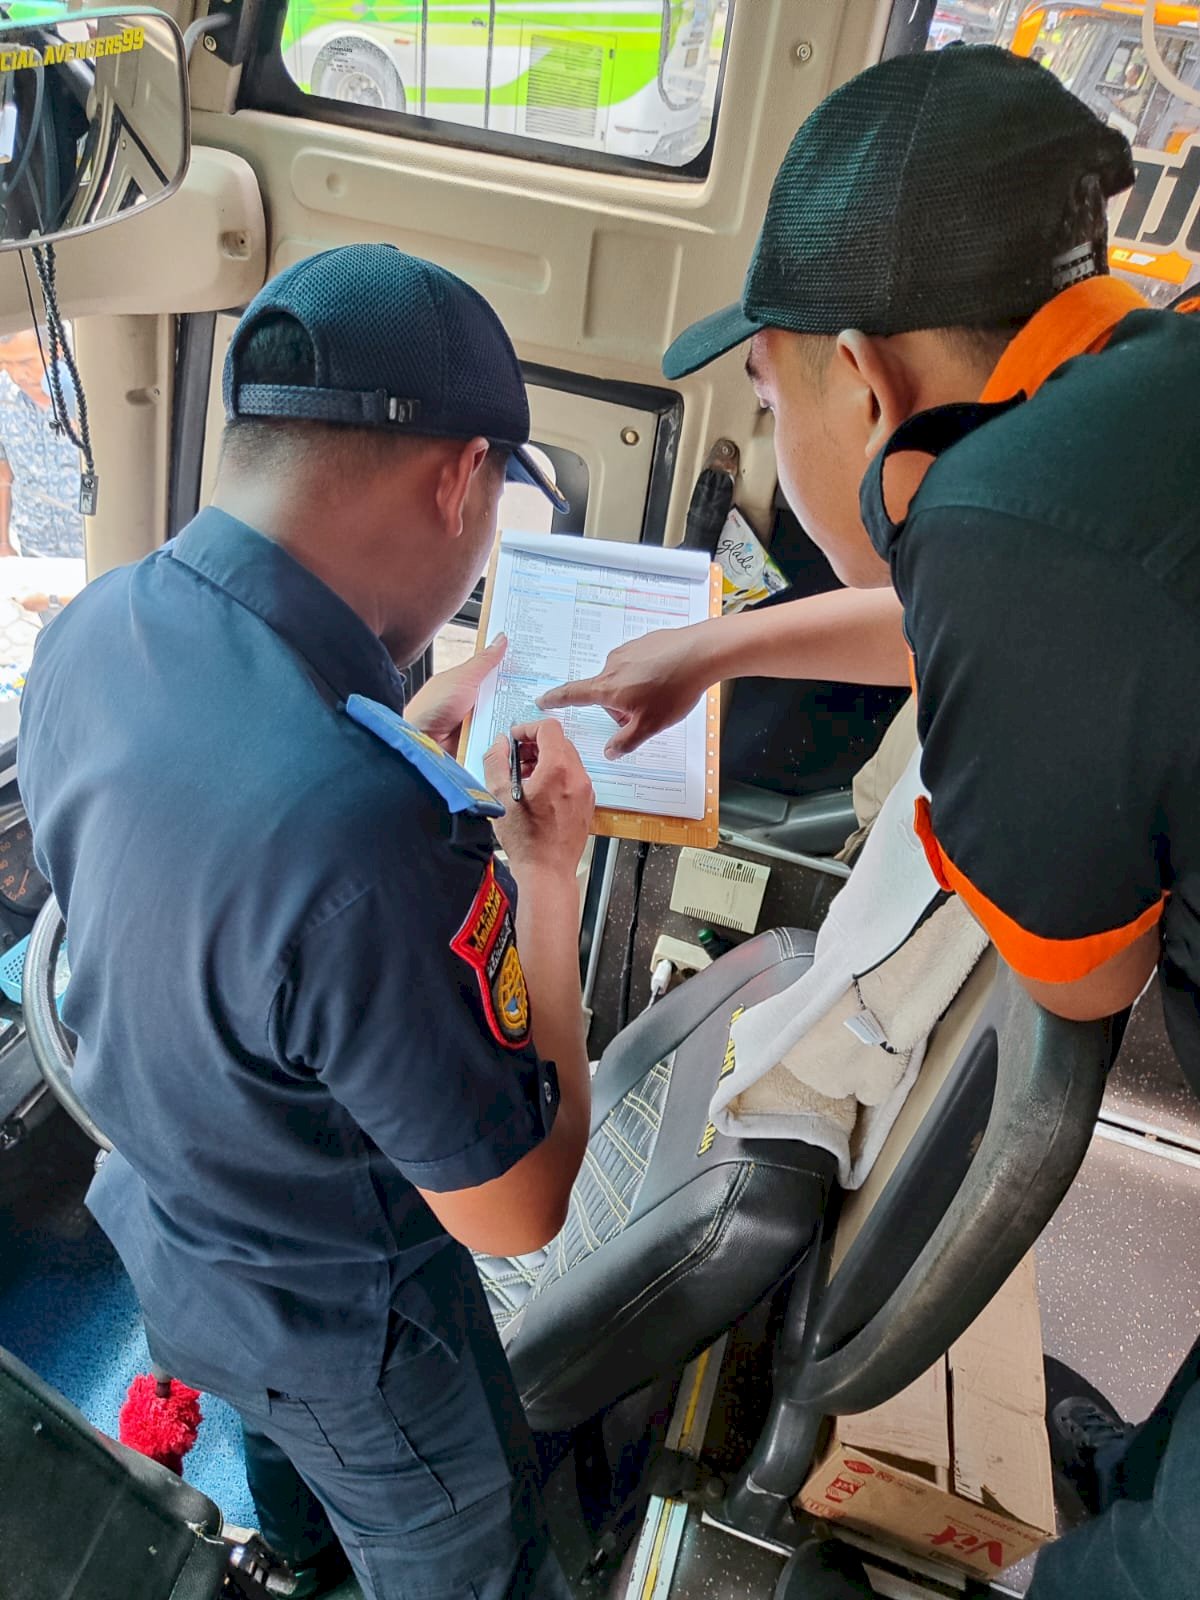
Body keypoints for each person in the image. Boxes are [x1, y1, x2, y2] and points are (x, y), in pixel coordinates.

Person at [540, 44, 1200, 1600]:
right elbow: (1013, 618)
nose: (772, 440)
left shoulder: (1007, 531)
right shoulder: (1124, 401)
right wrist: (716, 643)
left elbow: (1082, 985)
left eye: (765, 394)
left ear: (865, 376)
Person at [18, 243, 596, 1600]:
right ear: (460, 477)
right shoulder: (378, 831)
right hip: (357, 1340)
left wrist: (385, 748)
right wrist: (548, 883)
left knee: (289, 1475)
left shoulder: (92, 633)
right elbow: (518, 1214)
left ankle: (292, 1557)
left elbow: (198, 881)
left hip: (173, 1235)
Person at [0, 328, 85, 559]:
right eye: (6, 364)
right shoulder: (2, 398)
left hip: (89, 547)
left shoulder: (84, 391)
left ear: (56, 350)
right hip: (34, 548)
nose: (18, 375)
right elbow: (3, 475)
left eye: (26, 362)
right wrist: (3, 542)